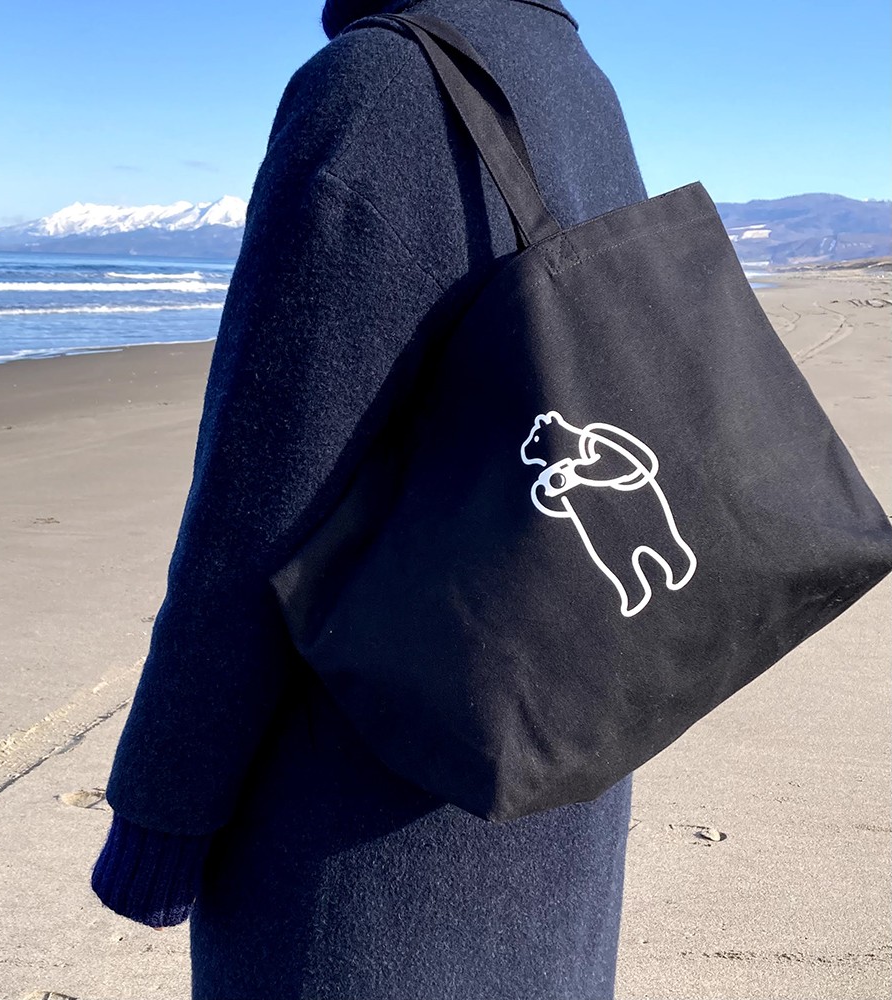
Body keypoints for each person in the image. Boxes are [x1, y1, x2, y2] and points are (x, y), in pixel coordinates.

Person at [91, 0, 647, 996]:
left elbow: (263, 497)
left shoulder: (377, 86)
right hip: (558, 758)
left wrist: (164, 810)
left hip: (364, 822)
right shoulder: (579, 82)